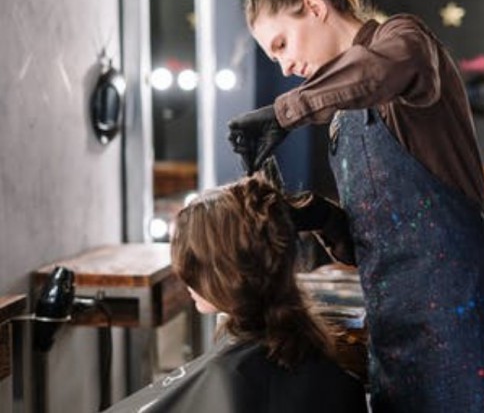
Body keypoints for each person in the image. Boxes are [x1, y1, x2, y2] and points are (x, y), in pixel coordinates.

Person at [227, 0, 484, 412]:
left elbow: (381, 71)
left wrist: (284, 113)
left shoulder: (404, 43)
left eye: (282, 45)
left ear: (315, 8)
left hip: (465, 321)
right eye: (275, 60)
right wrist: (315, 216)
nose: (286, 67)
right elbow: (377, 244)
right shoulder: (341, 117)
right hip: (395, 331)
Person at [105, 171, 368, 413]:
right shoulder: (327, 364)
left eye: (193, 265)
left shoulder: (229, 376)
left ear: (226, 272)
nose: (184, 278)